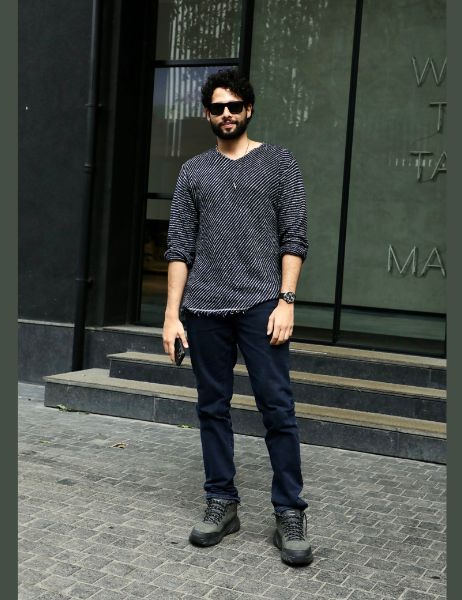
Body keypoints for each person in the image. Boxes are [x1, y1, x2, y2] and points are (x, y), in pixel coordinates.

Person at [161, 68, 312, 566]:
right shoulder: (193, 172)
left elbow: (295, 237)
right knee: (212, 408)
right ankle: (222, 502)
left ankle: (289, 512)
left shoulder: (279, 162)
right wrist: (172, 315)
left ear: (248, 109)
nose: (225, 114)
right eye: (217, 107)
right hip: (203, 308)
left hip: (262, 305)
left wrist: (286, 301)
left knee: (277, 409)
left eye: (234, 106)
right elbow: (179, 247)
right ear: (207, 114)